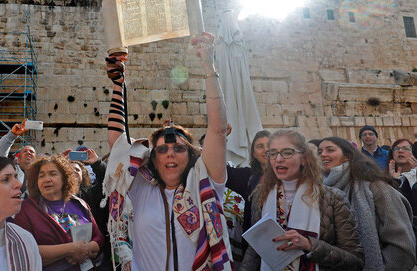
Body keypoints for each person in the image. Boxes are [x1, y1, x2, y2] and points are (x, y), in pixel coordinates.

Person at [103, 32, 233, 271]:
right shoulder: (140, 186)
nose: (170, 153)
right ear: (153, 157)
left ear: (191, 153)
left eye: (178, 148)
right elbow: (118, 143)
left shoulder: (203, 181)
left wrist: (208, 65)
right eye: (162, 149)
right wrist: (118, 85)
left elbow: (217, 129)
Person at [240, 130, 364, 271]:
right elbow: (255, 249)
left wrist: (310, 245)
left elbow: (355, 261)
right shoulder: (262, 195)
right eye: (273, 153)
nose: (278, 159)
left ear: (304, 158)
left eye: (287, 152)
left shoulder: (333, 198)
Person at [320, 136, 416, 270]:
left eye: (330, 150)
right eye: (320, 152)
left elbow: (401, 244)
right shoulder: (322, 191)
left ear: (347, 156)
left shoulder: (377, 188)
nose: (323, 154)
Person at [14, 154, 104, 270]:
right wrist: (71, 249)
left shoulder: (80, 204)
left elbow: (98, 236)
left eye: (53, 174)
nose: (47, 179)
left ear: (64, 178)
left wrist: (87, 248)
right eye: (41, 176)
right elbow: (24, 249)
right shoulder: (25, 209)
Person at [0, 120, 35, 197]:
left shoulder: (41, 173)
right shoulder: (10, 171)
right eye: (25, 151)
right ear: (18, 159)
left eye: (31, 152)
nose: (28, 152)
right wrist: (12, 135)